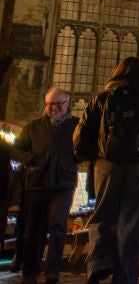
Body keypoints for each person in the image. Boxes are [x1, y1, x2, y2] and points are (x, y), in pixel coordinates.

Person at [73, 56, 139, 284]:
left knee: (102, 215)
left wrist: (97, 156)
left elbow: (79, 138)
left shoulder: (102, 98)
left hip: (106, 165)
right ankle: (126, 274)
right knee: (133, 220)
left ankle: (98, 265)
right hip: (138, 165)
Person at [10, 87, 79, 284]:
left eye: (58, 104)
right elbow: (16, 149)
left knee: (57, 227)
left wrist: (73, 161)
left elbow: (85, 147)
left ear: (67, 104)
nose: (54, 108)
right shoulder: (33, 126)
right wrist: (30, 160)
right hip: (37, 183)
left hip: (63, 184)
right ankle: (30, 269)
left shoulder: (76, 126)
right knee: (33, 229)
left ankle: (52, 271)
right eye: (50, 104)